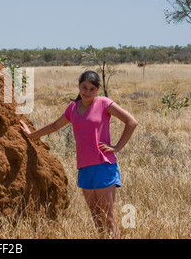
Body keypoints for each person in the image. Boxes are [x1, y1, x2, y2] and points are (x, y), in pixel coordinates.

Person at [20, 71, 138, 239]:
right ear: (79, 86)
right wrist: (31, 135)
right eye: (84, 87)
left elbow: (131, 122)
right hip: (84, 167)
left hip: (103, 165)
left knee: (108, 217)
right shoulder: (73, 108)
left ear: (97, 90)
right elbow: (54, 126)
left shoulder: (104, 103)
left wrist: (117, 147)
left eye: (92, 89)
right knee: (96, 217)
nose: (87, 92)